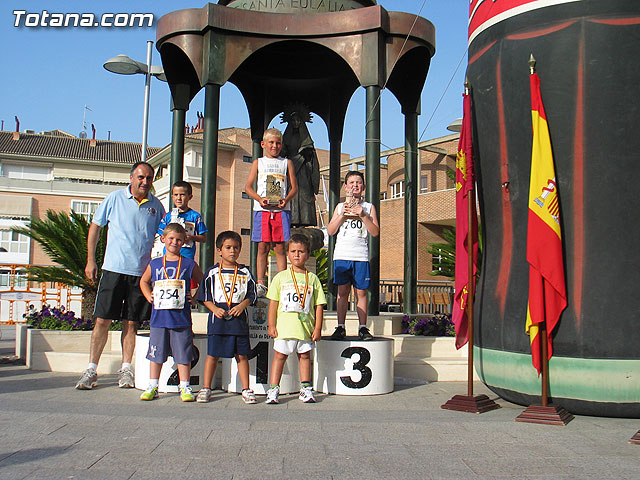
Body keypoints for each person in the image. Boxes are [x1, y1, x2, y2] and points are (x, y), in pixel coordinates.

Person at [76, 161, 165, 390]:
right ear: (131, 178)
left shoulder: (156, 206)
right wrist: (91, 260)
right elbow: (95, 228)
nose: (145, 182)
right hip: (113, 270)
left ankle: (126, 369)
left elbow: (167, 236)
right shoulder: (114, 198)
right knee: (102, 320)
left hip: (140, 275)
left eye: (149, 178)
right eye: (140, 177)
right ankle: (91, 370)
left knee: (131, 323)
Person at [138, 223, 203, 401]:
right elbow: (143, 281)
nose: (174, 242)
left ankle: (185, 386)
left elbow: (203, 281)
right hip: (159, 318)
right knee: (156, 354)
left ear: (184, 242)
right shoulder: (155, 263)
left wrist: (195, 298)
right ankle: (153, 385)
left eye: (179, 240)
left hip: (181, 319)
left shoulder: (189, 264)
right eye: (171, 238)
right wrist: (148, 295)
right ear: (163, 239)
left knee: (183, 354)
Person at [197, 231, 258, 404]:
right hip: (218, 321)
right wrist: (214, 309)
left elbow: (252, 294)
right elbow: (205, 296)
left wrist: (242, 306)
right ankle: (206, 388)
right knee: (213, 355)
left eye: (236, 248)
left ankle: (246, 389)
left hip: (239, 321)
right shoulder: (212, 272)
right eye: (228, 247)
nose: (232, 251)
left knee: (242, 355)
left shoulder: (245, 272)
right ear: (219, 250)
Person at [265, 233, 326, 404]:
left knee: (305, 356)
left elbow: (319, 305)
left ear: (308, 254)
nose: (297, 255)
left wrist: (317, 328)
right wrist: (271, 324)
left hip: (305, 327)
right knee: (279, 356)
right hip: (285, 327)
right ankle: (273, 389)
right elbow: (273, 303)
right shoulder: (281, 277)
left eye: (301, 251)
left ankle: (305, 389)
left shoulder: (312, 279)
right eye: (293, 251)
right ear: (287, 254)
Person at [326, 171, 379, 341]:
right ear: (345, 186)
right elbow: (330, 230)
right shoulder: (339, 207)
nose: (355, 185)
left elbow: (375, 232)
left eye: (358, 182)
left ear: (363, 186)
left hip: (360, 255)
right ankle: (340, 326)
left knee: (361, 292)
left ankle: (363, 327)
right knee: (342, 292)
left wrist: (363, 215)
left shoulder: (369, 207)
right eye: (351, 182)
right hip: (342, 254)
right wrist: (343, 214)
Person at [244, 128, 297, 296]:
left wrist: (286, 200)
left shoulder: (286, 163)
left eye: (278, 143)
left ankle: (282, 281)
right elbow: (248, 187)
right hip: (262, 210)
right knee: (262, 246)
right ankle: (261, 283)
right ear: (263, 144)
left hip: (281, 210)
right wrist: (259, 199)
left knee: (280, 247)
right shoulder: (258, 163)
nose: (274, 146)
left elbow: (294, 188)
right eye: (271, 143)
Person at [280, 105, 320, 227]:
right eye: (293, 120)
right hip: (290, 169)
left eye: (298, 120)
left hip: (303, 170)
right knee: (290, 193)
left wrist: (308, 154)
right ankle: (291, 220)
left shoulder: (306, 138)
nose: (296, 122)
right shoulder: (287, 138)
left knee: (304, 194)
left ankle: (305, 220)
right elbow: (282, 152)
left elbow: (312, 156)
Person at [157, 180, 207, 260]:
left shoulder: (195, 216)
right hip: (168, 256)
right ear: (172, 197)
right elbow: (161, 235)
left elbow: (203, 238)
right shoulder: (167, 216)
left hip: (186, 256)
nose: (179, 198)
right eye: (176, 195)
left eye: (182, 195)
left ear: (190, 197)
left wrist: (191, 237)